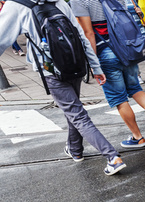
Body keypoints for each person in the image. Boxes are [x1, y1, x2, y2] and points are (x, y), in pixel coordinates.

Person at [0, 0, 125, 175]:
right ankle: (75, 149)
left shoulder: (16, 5)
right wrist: (95, 67)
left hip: (51, 70)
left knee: (77, 115)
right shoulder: (58, 1)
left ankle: (112, 157)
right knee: (73, 110)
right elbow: (80, 35)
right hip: (75, 64)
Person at [71, 0, 145, 148]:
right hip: (127, 49)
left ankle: (138, 137)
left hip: (106, 53)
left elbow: (89, 33)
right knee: (136, 88)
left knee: (119, 98)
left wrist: (93, 64)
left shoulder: (80, 1)